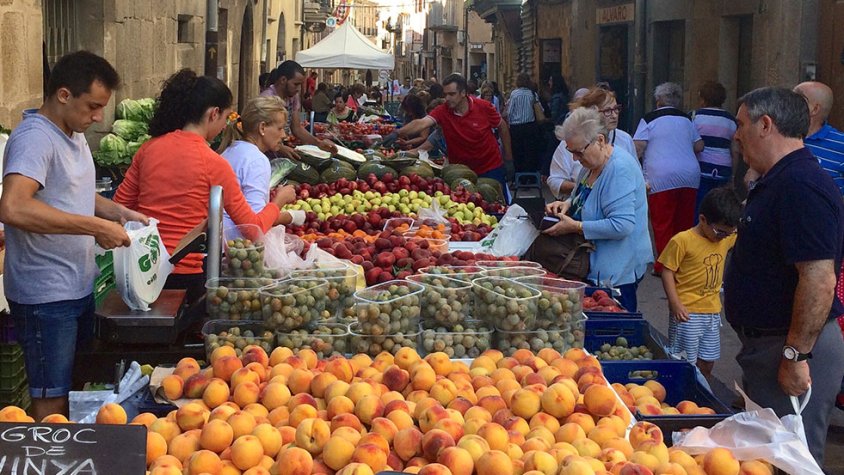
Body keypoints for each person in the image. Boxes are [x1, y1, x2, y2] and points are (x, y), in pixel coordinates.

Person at [0, 51, 148, 421]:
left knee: (73, 390)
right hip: (45, 295)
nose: (99, 117)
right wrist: (94, 227)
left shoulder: (72, 131)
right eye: (93, 106)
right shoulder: (35, 139)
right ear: (63, 95)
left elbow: (72, 191)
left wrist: (117, 212)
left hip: (77, 286)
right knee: (51, 400)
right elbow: (14, 207)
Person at [724, 87, 844, 466]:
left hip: (789, 350)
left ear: (765, 125)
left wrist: (795, 355)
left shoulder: (800, 186)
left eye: (741, 124)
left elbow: (818, 279)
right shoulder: (776, 179)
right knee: (768, 459)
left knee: (793, 461)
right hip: (770, 347)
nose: (736, 134)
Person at [114, 69, 298, 307]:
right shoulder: (213, 163)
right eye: (225, 119)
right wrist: (278, 202)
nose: (224, 127)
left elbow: (120, 206)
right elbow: (252, 228)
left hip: (142, 269)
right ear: (213, 114)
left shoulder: (148, 149)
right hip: (185, 273)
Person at [540, 107, 652, 311]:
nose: (574, 158)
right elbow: (581, 196)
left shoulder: (619, 169)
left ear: (600, 140)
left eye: (578, 151)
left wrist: (576, 226)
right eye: (570, 151)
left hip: (617, 273)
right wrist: (565, 205)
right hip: (597, 267)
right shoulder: (590, 165)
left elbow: (622, 225)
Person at [659, 187, 741, 379]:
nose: (723, 237)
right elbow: (667, 271)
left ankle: (701, 388)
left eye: (729, 233)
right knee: (683, 358)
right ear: (703, 219)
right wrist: (675, 302)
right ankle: (682, 389)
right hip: (687, 312)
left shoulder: (725, 238)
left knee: (708, 358)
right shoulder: (682, 241)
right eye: (720, 232)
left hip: (711, 312)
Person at [397, 73, 513, 190]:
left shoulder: (484, 107)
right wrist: (397, 133)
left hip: (490, 168)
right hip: (460, 173)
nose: (447, 98)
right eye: (445, 94)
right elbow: (422, 123)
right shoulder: (442, 111)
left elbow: (502, 127)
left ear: (463, 93)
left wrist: (508, 158)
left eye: (452, 94)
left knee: (496, 204)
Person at [633, 82, 704, 274]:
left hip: (661, 176)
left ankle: (664, 265)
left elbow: (637, 147)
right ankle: (680, 263)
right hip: (689, 175)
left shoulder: (649, 119)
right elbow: (699, 146)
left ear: (658, 101)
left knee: (662, 222)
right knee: (684, 222)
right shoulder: (687, 119)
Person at [218, 96, 306, 231]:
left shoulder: (230, 150)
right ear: (262, 128)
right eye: (280, 128)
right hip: (238, 245)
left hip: (220, 239)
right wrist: (286, 208)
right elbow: (255, 224)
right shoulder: (257, 160)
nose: (284, 135)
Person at [548, 86, 637, 199]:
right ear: (591, 114)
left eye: (616, 109)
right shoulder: (572, 143)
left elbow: (634, 174)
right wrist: (582, 188)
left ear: (600, 141)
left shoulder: (625, 140)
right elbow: (555, 180)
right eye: (607, 111)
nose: (614, 115)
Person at [261, 60, 337, 158]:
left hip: (280, 152)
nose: (299, 89)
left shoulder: (293, 97)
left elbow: (296, 128)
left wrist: (319, 143)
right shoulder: (266, 99)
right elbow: (259, 132)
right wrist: (280, 148)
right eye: (296, 84)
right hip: (265, 155)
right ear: (283, 80)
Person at [691, 81, 738, 217]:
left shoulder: (694, 117)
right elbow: (735, 150)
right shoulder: (731, 120)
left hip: (701, 169)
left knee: (700, 207)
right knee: (720, 209)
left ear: (703, 98)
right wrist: (732, 175)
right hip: (723, 169)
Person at [794, 81, 844, 194]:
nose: (789, 103)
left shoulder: (840, 144)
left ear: (815, 109)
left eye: (798, 98)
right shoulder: (781, 136)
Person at [507, 73, 544, 175]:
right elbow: (541, 110)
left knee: (518, 152)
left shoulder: (514, 94)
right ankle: (529, 176)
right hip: (530, 127)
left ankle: (519, 175)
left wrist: (510, 124)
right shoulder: (532, 94)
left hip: (516, 127)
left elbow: (510, 111)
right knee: (529, 152)